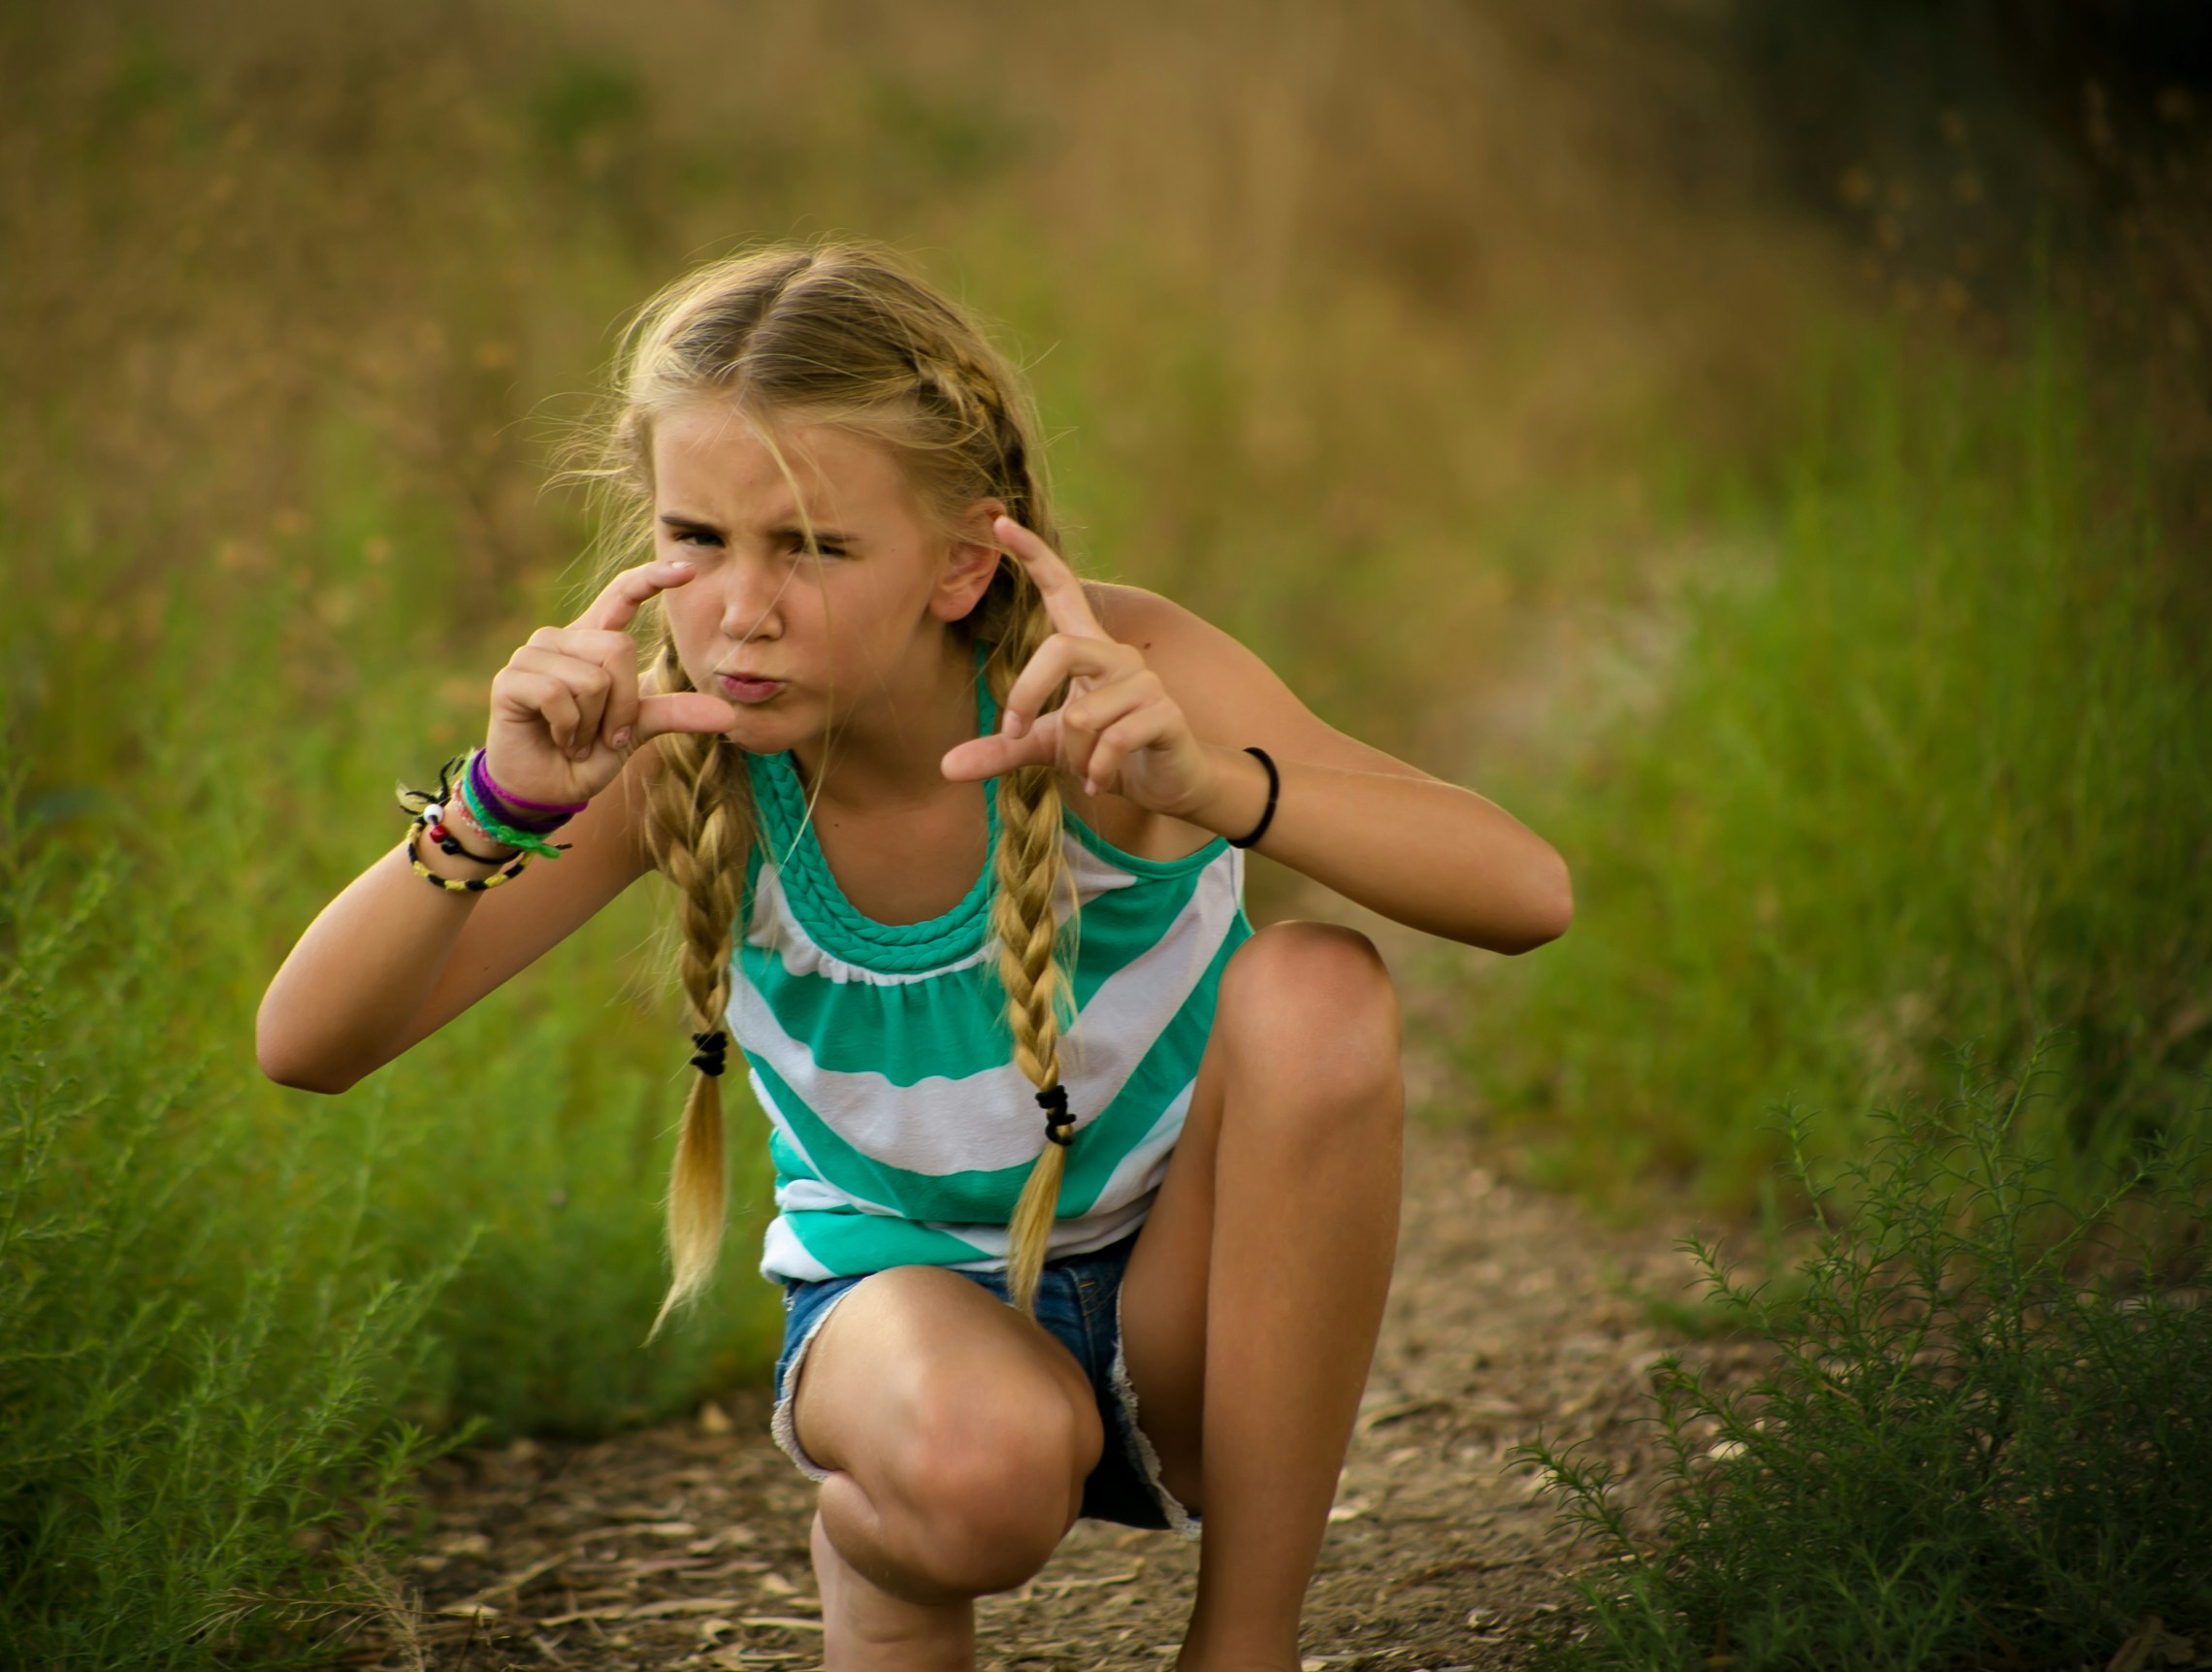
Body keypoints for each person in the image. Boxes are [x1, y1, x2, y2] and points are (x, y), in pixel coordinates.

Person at [256, 238, 1572, 1671]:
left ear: (960, 562)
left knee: (1320, 986)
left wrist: (1212, 784)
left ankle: (1241, 1648)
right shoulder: (666, 757)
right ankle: (876, 1560)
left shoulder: (1111, 683)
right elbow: (308, 1047)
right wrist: (494, 806)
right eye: (697, 538)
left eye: (813, 545)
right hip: (907, 1317)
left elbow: (1526, 892)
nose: (741, 608)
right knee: (982, 1469)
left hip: (1195, 1297)